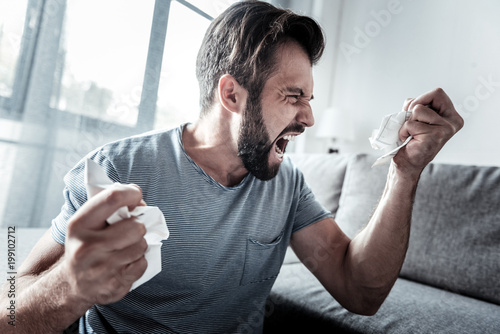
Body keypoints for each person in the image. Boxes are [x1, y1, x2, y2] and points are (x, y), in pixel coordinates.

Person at [0, 1, 464, 333]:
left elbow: (360, 292)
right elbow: (10, 309)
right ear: (232, 95)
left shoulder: (287, 185)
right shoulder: (116, 170)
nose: (308, 119)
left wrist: (404, 173)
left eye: (310, 99)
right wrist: (69, 287)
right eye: (293, 96)